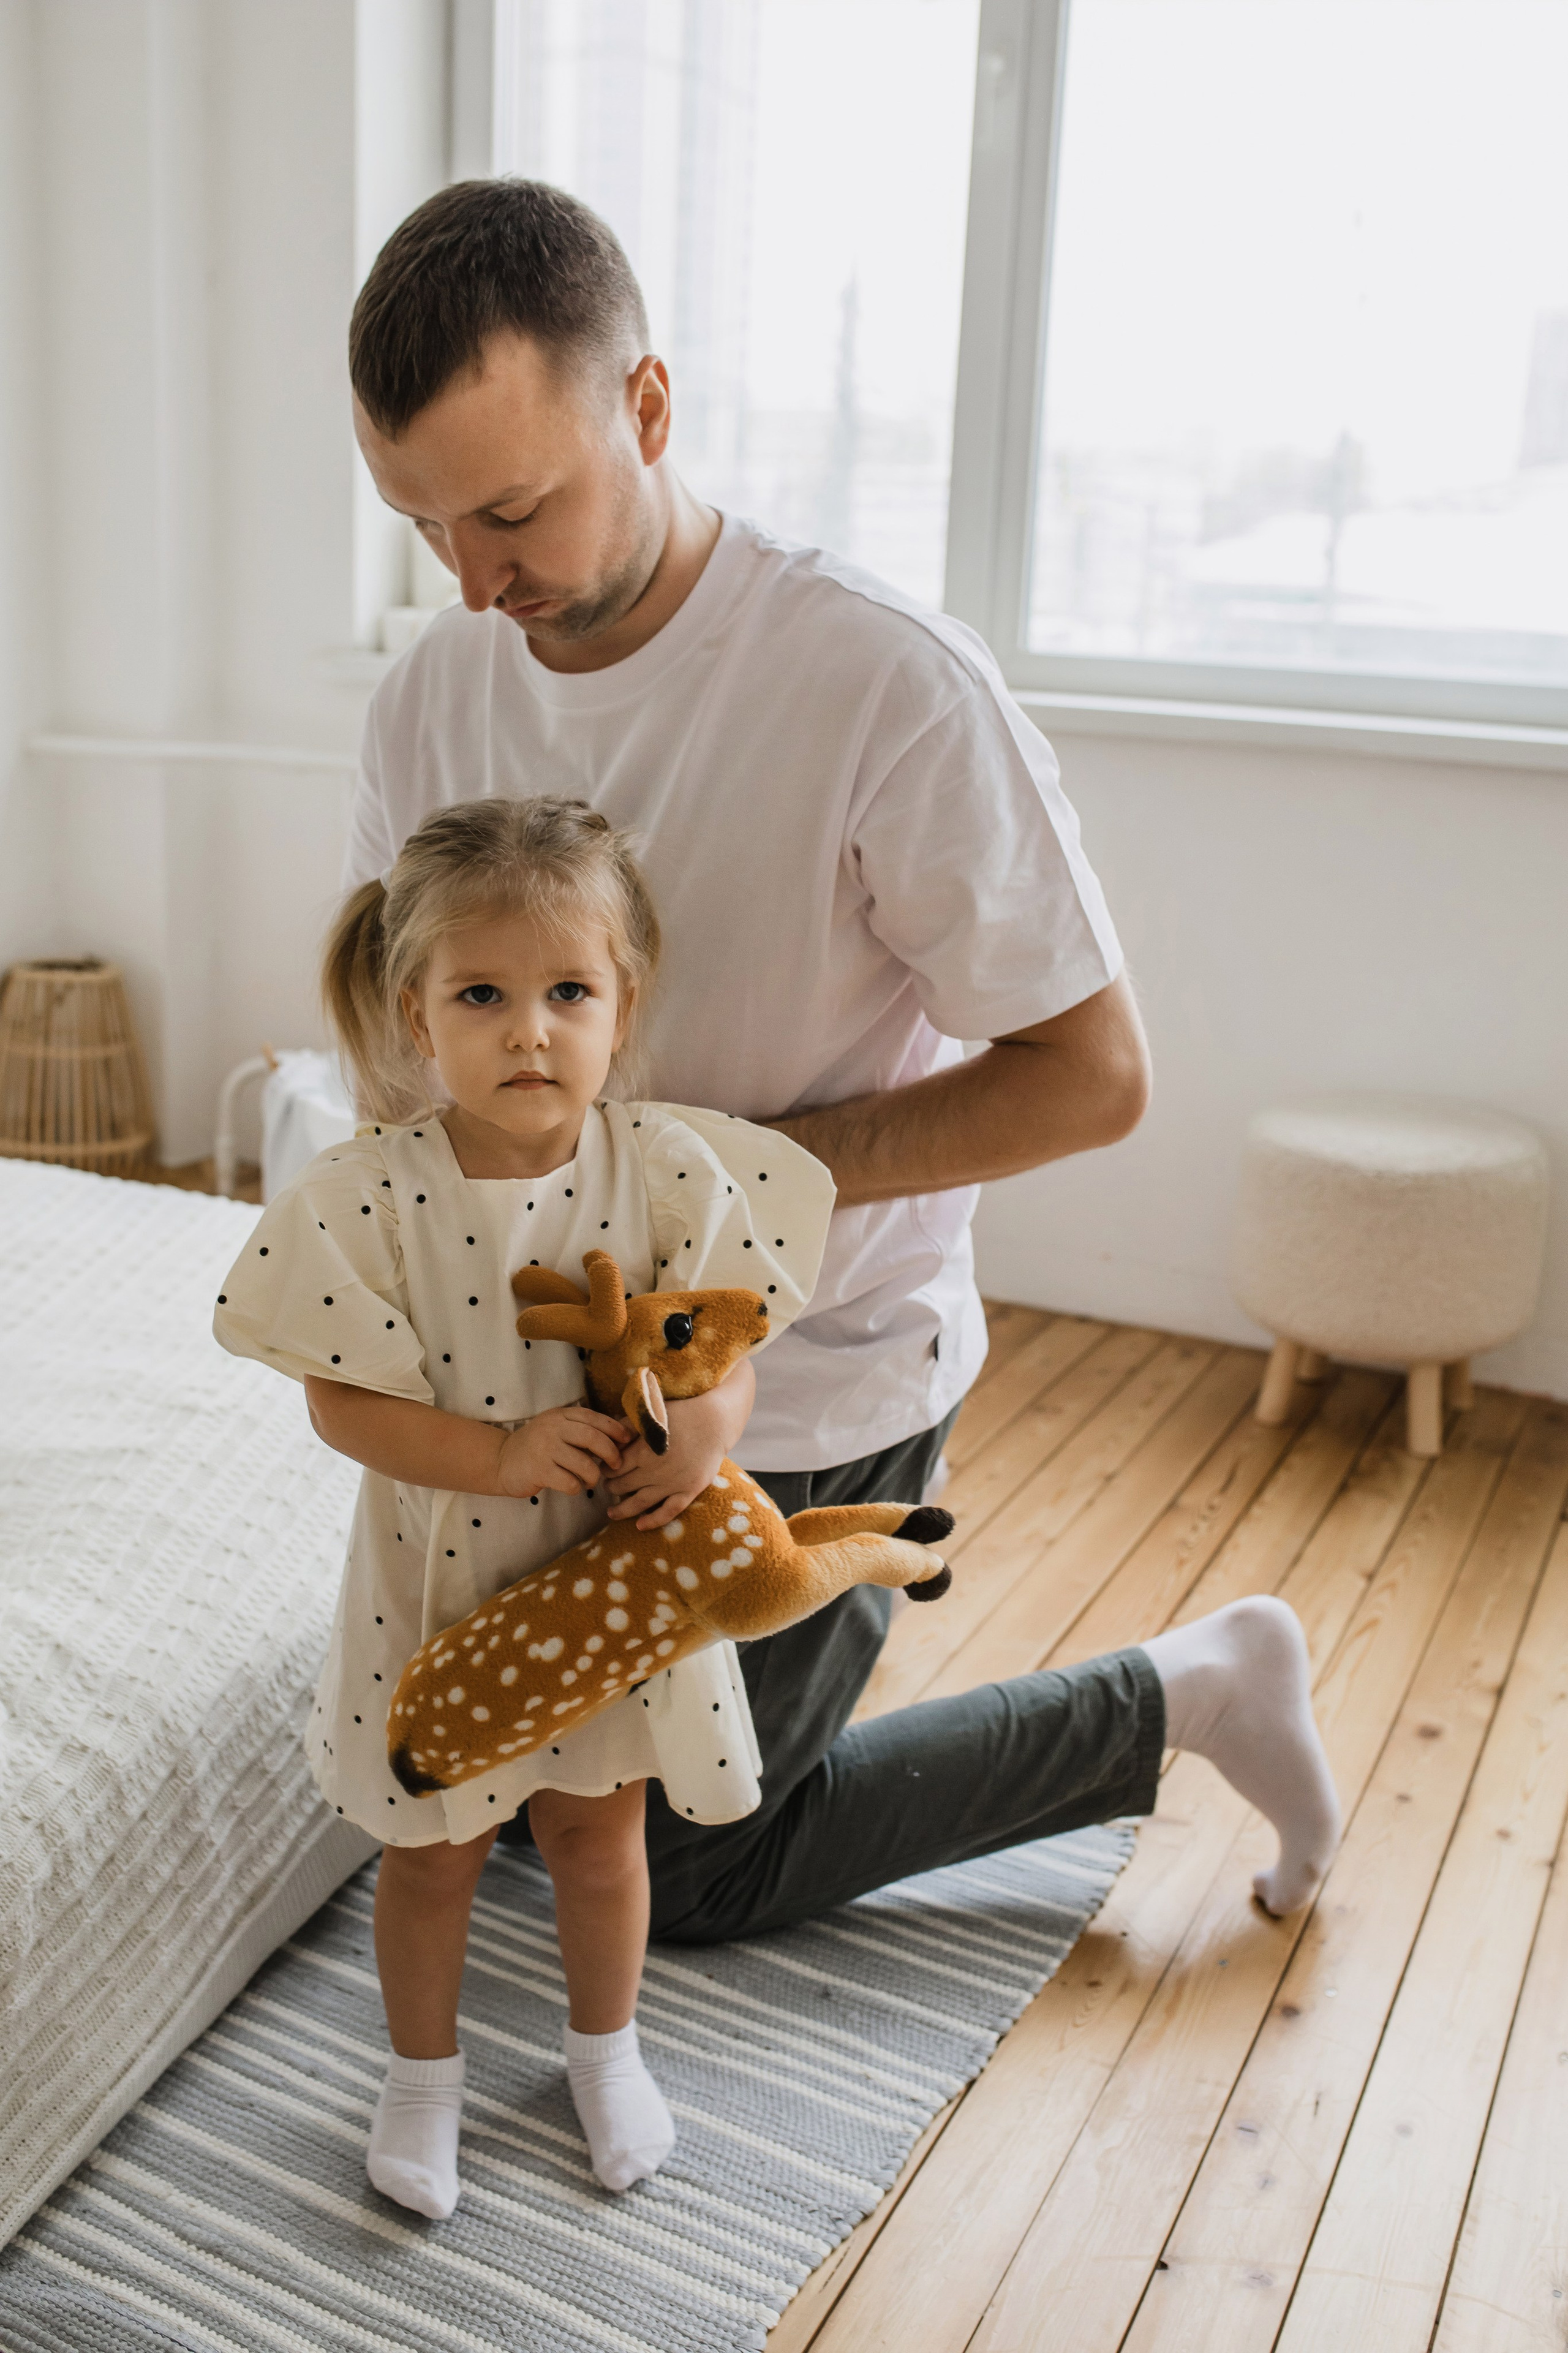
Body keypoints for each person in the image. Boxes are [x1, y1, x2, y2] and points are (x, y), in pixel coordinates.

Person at [341, 182, 1342, 1959]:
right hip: (539, 1373)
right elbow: (398, 1020)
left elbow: (1090, 1076)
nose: (474, 583)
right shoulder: (432, 692)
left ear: (648, 408)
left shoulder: (883, 684)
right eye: (419, 522)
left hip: (797, 1380)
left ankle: (1191, 1687)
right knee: (497, 1794)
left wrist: (725, 1181)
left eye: (510, 510)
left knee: (696, 1866)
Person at [214, 795, 837, 2218]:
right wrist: (496, 1457)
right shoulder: (367, 1196)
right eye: (481, 996)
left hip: (613, 1581)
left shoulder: (666, 1171)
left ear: (625, 1004)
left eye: (568, 992)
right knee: (432, 1851)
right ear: (415, 1014)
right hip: (437, 1578)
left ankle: (604, 2052)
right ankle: (420, 2076)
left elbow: (724, 1351)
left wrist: (702, 1442)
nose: (529, 1031)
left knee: (596, 1836)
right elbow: (337, 1401)